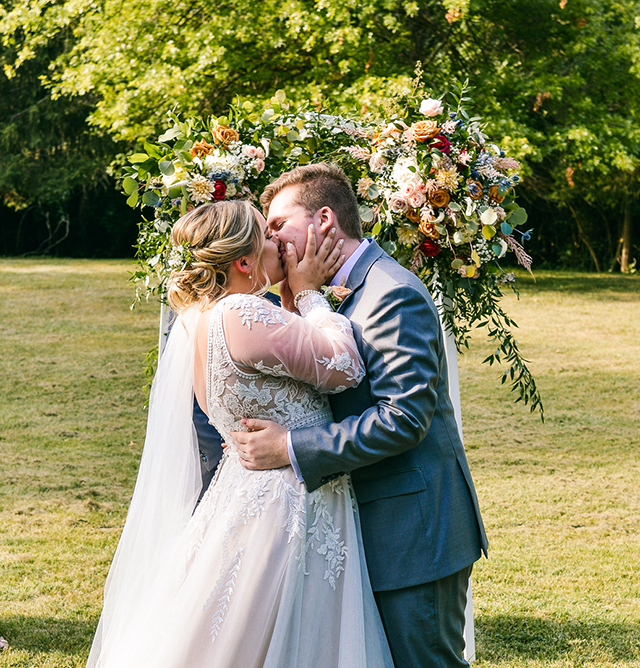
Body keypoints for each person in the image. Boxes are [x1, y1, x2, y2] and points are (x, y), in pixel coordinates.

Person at [87, 199, 393, 668]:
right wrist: (310, 294)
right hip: (289, 503)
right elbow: (346, 367)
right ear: (246, 262)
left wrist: (289, 306)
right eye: (267, 238)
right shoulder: (244, 313)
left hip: (243, 494)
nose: (279, 244)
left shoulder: (196, 321)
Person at [230, 163, 489, 668]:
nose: (271, 236)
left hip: (412, 532)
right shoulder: (323, 292)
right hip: (358, 527)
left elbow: (402, 419)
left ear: (324, 219)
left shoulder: (391, 293)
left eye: (279, 223)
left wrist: (289, 447)